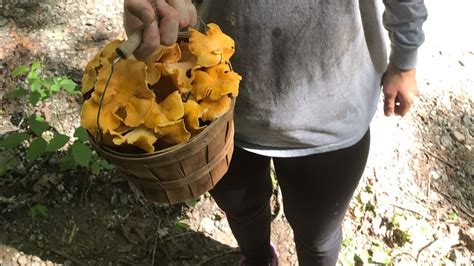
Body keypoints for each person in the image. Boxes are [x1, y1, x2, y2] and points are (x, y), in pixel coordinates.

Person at [123, 0, 427, 265]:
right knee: (241, 209)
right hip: (217, 107)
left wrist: (405, 60)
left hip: (332, 113)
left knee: (317, 234)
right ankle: (258, 259)